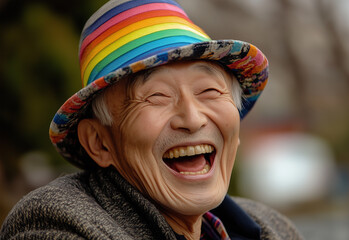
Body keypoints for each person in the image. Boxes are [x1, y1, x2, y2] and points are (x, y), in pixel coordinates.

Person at [0, 0, 303, 239]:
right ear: (99, 142)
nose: (193, 118)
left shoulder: (274, 227)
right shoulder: (57, 222)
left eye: (210, 91)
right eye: (156, 96)